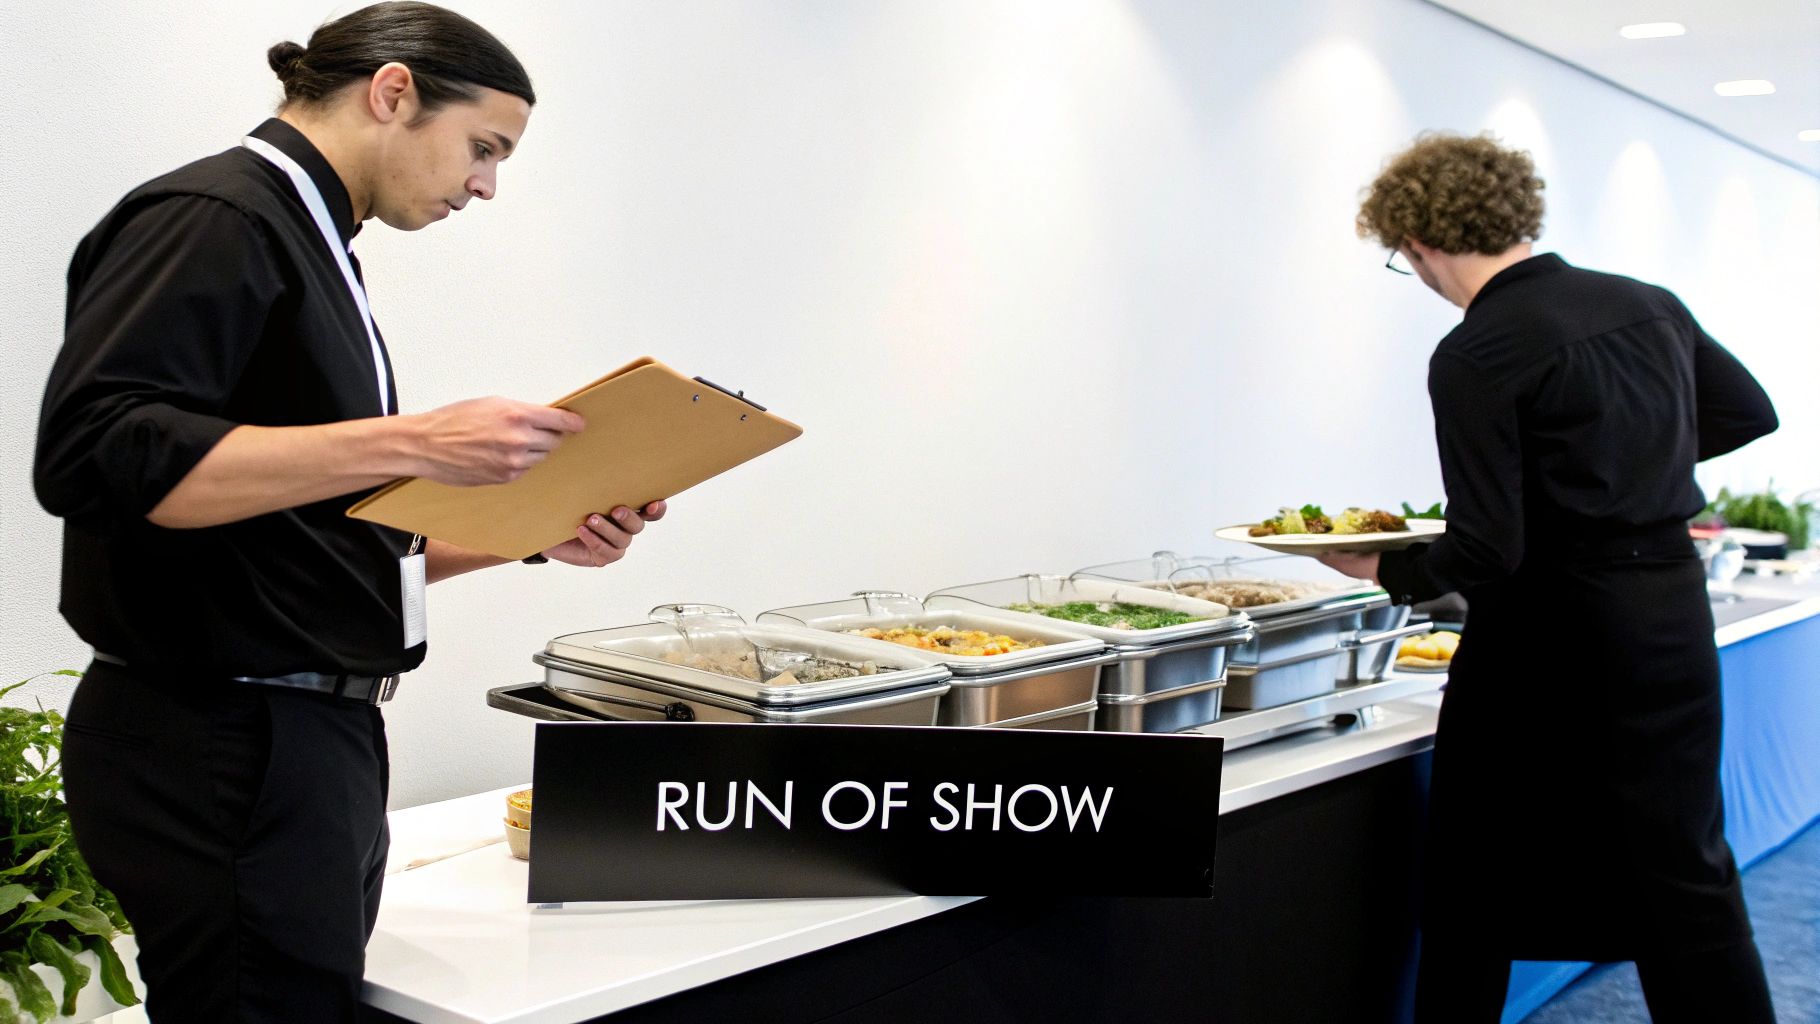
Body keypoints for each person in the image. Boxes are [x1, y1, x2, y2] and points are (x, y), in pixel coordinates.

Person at [33, 4, 665, 1020]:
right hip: (226, 741)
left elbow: (296, 541)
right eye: (483, 148)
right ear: (393, 92)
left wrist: (526, 535)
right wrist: (418, 441)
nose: (485, 184)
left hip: (290, 740)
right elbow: (101, 457)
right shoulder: (221, 214)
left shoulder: (312, 239)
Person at [1333, 132, 1780, 1023]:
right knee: (1686, 867)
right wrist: (1626, 470)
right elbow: (1747, 411)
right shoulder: (1645, 304)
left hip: (1549, 638)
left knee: (1477, 870)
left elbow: (1488, 548)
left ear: (1417, 244)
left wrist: (1378, 565)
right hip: (1669, 619)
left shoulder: (1477, 351)